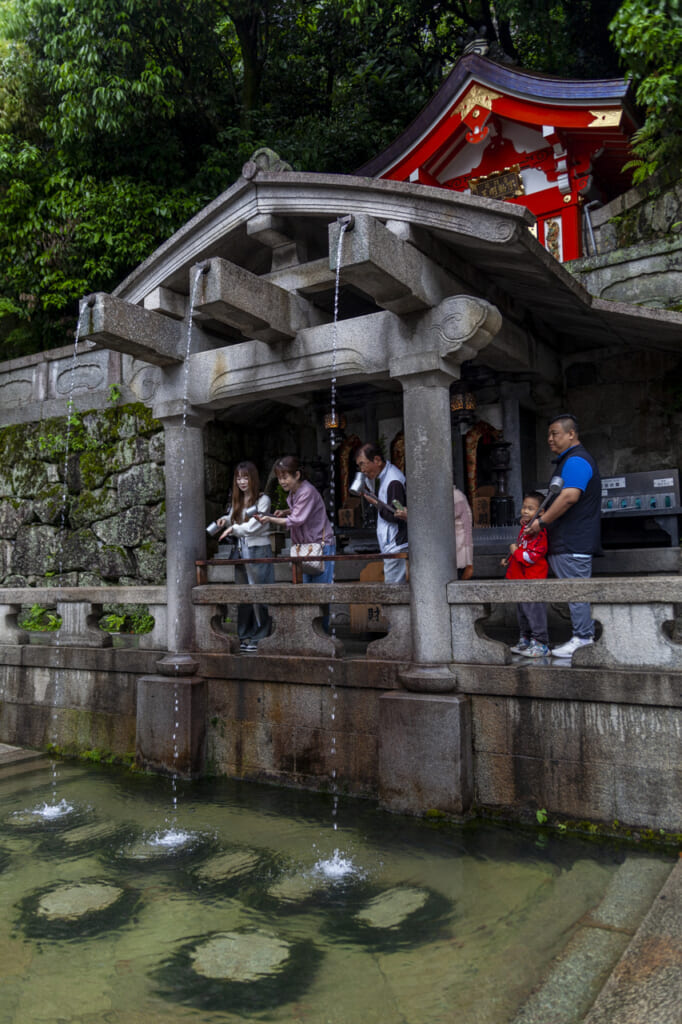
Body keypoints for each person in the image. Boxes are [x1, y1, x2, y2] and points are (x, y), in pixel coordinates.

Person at [524, 413, 601, 658]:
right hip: (568, 540)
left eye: (555, 433)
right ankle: (579, 636)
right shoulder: (569, 460)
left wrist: (541, 522)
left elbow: (569, 497)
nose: (550, 439)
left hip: (574, 540)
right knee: (572, 592)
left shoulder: (576, 460)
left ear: (571, 434)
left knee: (576, 591)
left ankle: (583, 637)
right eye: (548, 434)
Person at [217, 461, 273, 652]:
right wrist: (224, 521)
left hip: (259, 550)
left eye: (245, 477)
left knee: (261, 594)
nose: (241, 482)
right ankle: (244, 635)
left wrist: (233, 529)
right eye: (238, 478)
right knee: (243, 596)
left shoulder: (263, 500)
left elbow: (252, 527)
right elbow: (233, 518)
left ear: (253, 478)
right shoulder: (238, 500)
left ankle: (260, 636)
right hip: (241, 551)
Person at [256, 455, 335, 585]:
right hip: (305, 547)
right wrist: (286, 511)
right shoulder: (294, 492)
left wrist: (270, 519)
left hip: (320, 546)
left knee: (321, 591)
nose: (282, 482)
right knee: (305, 590)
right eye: (279, 478)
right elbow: (300, 510)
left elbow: (296, 520)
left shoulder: (307, 491)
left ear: (297, 475)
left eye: (285, 477)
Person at [502, 491, 549, 658]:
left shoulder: (540, 532)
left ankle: (541, 642)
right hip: (520, 577)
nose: (525, 511)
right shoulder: (525, 527)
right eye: (524, 507)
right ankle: (526, 639)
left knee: (534, 611)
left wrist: (514, 553)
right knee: (522, 611)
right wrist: (509, 558)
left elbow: (531, 556)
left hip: (532, 577)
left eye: (530, 508)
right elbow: (521, 548)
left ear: (541, 512)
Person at [394, 484, 473, 579]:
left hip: (453, 558)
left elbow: (435, 524)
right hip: (444, 557)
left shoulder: (453, 496)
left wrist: (410, 516)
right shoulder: (441, 497)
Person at [354, 442, 408, 582]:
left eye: (363, 464)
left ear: (377, 460)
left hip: (396, 543)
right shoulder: (383, 476)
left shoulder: (393, 480)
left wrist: (375, 503)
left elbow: (396, 515)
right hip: (391, 543)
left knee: (394, 588)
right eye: (359, 466)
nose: (362, 470)